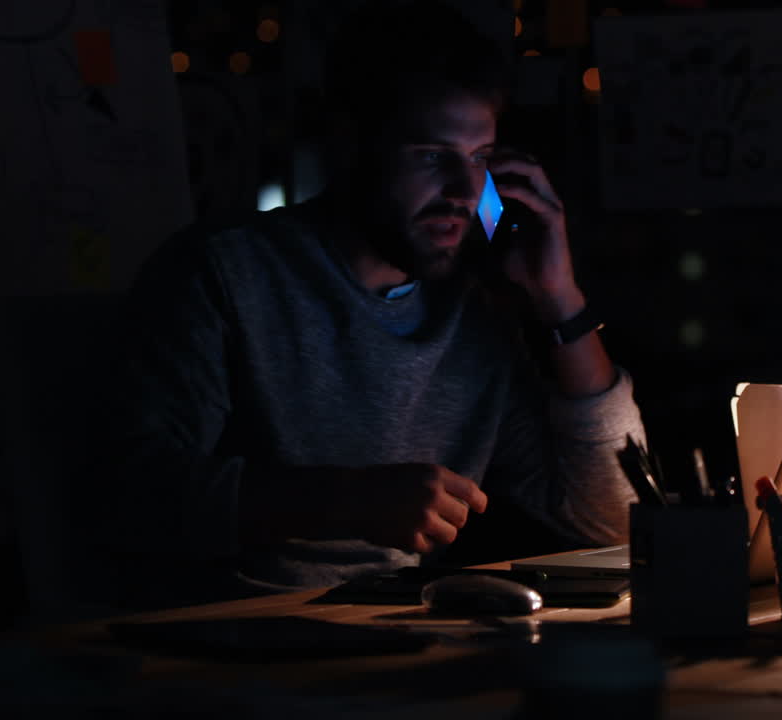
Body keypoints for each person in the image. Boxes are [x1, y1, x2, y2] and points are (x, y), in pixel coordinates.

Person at [108, 1, 645, 605]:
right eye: (432, 156)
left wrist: (561, 300)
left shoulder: (474, 313)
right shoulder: (224, 274)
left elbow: (613, 519)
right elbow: (133, 497)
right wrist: (342, 502)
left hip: (394, 628)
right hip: (222, 631)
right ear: (351, 144)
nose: (465, 191)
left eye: (480, 158)